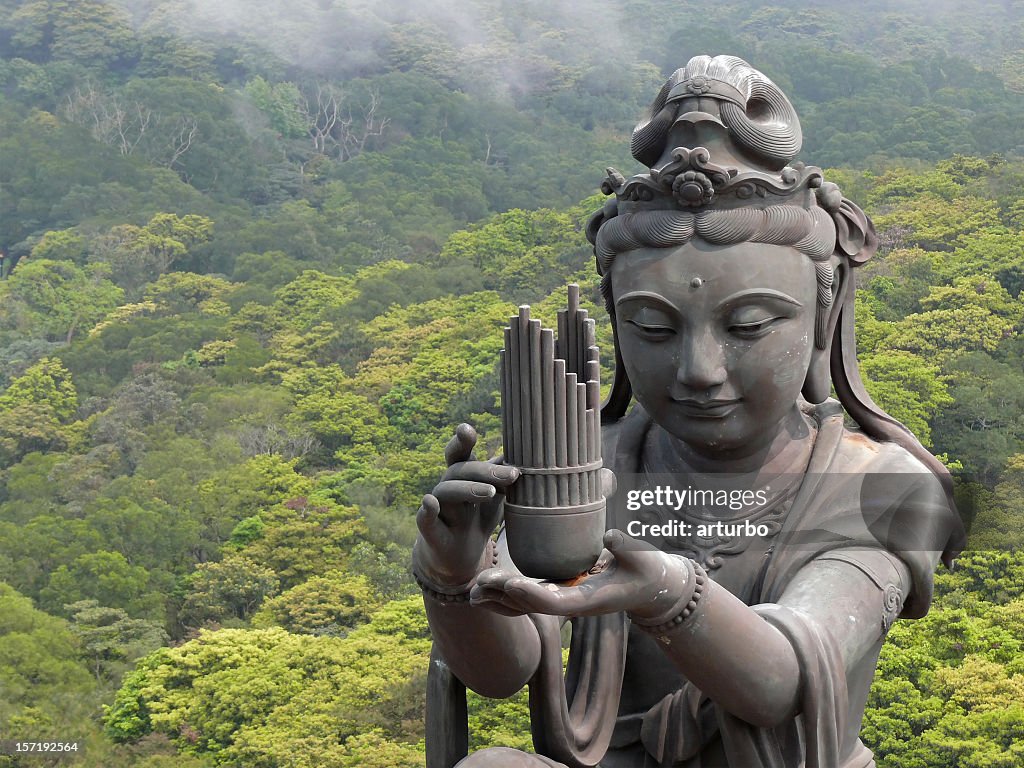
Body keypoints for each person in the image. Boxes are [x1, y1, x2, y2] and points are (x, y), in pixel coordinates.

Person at [412, 55, 964, 768]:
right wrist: (456, 575)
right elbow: (500, 673)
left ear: (821, 320)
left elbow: (781, 682)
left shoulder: (880, 486)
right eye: (654, 330)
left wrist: (666, 590)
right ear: (614, 327)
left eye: (748, 327)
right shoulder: (597, 462)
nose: (699, 371)